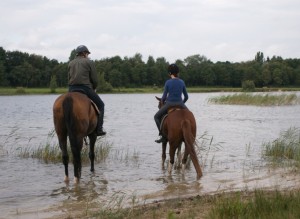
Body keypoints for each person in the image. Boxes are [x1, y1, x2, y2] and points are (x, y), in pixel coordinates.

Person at [68, 45, 106, 136]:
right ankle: (99, 129)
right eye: (87, 53)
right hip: (85, 88)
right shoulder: (89, 62)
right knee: (101, 105)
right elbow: (95, 79)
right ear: (84, 53)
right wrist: (94, 87)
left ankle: (67, 129)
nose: (88, 55)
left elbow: (69, 78)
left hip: (72, 88)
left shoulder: (70, 63)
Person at [154, 63, 188, 143]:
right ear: (178, 72)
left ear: (170, 73)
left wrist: (162, 102)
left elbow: (164, 97)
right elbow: (186, 97)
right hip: (180, 104)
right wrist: (182, 103)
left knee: (156, 117)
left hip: (169, 104)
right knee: (190, 115)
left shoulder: (168, 82)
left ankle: (163, 136)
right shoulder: (182, 82)